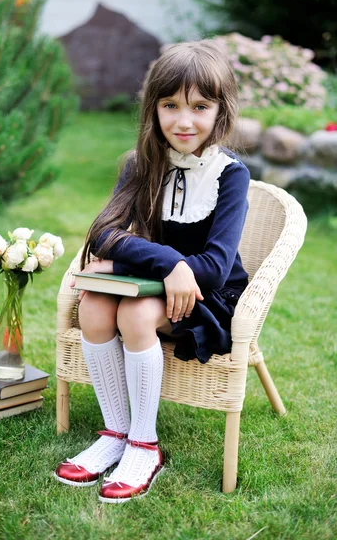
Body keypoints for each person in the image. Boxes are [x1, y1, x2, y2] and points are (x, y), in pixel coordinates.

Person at [53, 39, 250, 503]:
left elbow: (216, 269)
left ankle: (144, 445)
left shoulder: (229, 175)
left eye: (200, 106)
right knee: (97, 304)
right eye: (170, 105)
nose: (184, 121)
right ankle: (115, 433)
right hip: (159, 281)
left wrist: (178, 269)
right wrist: (171, 263)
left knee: (137, 315)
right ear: (153, 108)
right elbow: (102, 234)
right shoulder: (142, 163)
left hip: (205, 297)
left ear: (220, 112)